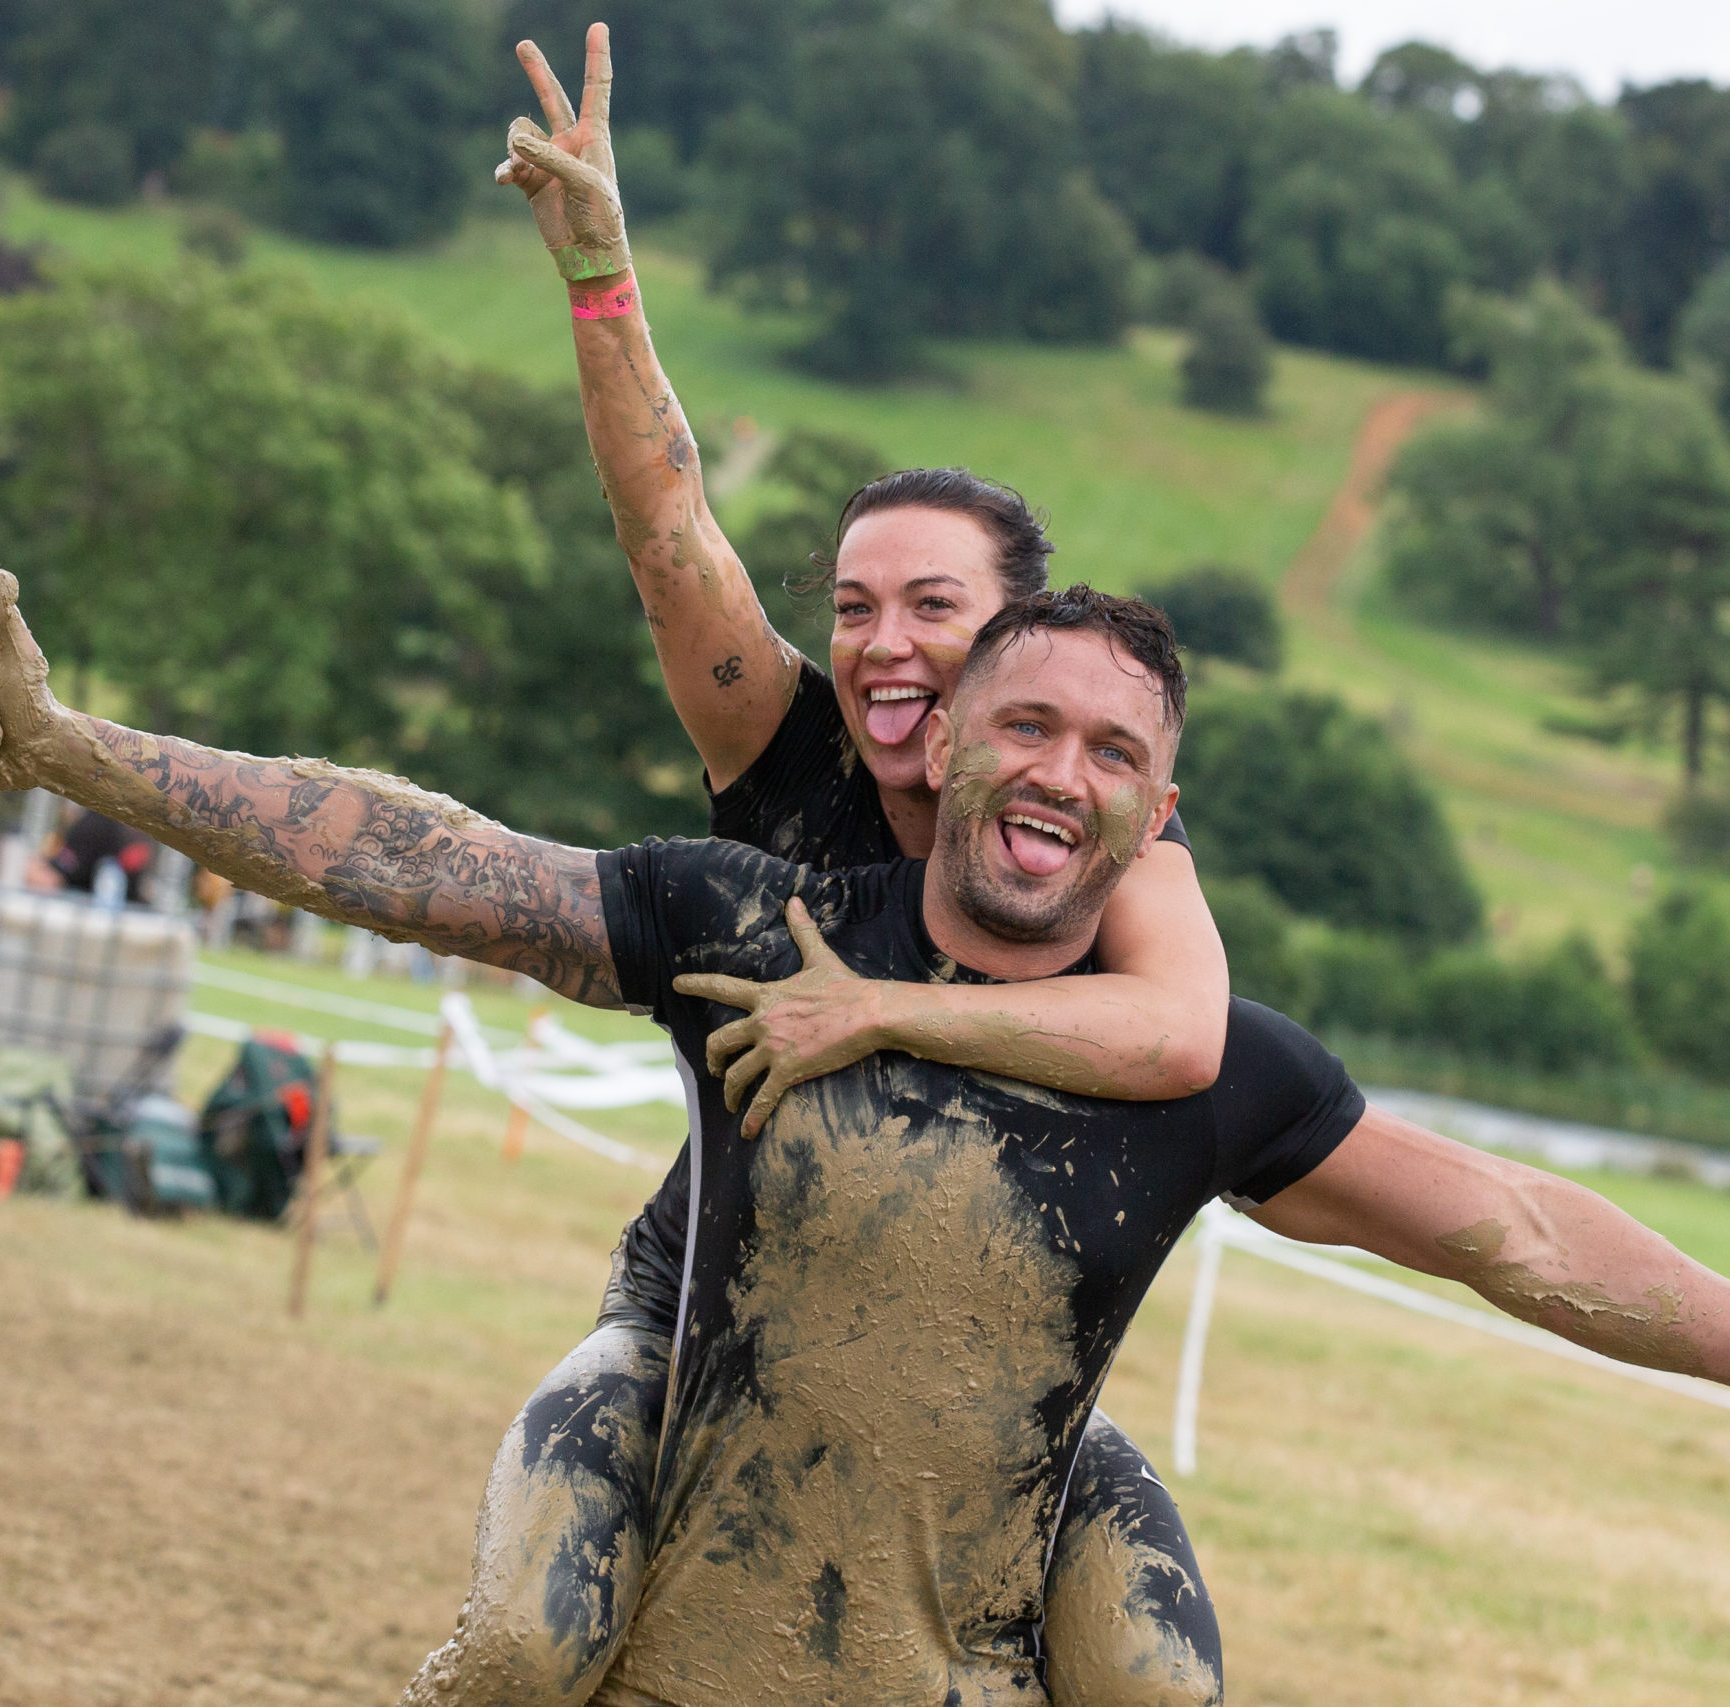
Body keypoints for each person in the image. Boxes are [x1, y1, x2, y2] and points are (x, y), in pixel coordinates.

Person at [0, 578, 1730, 1707]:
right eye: (1028, 724)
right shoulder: (741, 918)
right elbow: (424, 857)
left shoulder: (1208, 1066)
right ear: (948, 738)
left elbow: (1518, 1233)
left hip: (987, 1543)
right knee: (509, 1658)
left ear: (1162, 810)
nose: (1060, 771)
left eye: (1114, 752)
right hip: (685, 1448)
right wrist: (81, 754)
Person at [494, 27, 1243, 1703]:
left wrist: (885, 1013)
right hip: (711, 1319)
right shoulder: (789, 744)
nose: (884, 648)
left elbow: (1186, 1033)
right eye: (853, 605)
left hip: (993, 1371)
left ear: (1021, 644)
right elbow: (667, 524)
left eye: (935, 610)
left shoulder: (1105, 839)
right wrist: (604, 280)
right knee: (528, 1648)